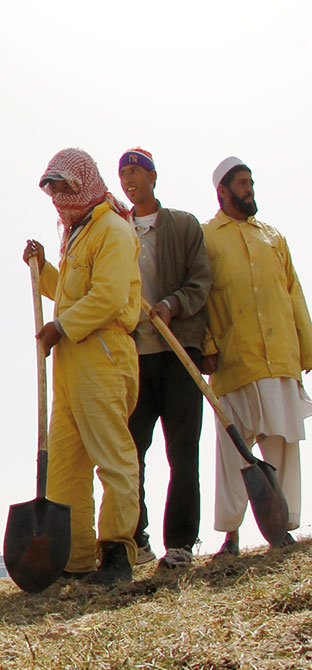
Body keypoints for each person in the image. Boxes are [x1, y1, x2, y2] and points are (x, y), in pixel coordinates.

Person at [22, 147, 141, 585]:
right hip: (73, 359)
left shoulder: (112, 228)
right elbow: (73, 293)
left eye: (65, 188)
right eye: (53, 191)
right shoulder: (77, 234)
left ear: (86, 183)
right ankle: (74, 560)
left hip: (103, 353)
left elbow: (108, 297)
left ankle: (117, 553)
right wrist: (43, 269)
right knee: (67, 464)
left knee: (112, 455)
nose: (59, 199)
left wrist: (59, 327)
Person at [202, 157, 312, 555]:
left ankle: (280, 528)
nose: (250, 190)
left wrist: (306, 345)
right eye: (242, 184)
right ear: (223, 191)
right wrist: (209, 348)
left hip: (280, 356)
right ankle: (230, 536)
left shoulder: (273, 236)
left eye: (251, 183)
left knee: (281, 443)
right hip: (234, 361)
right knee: (234, 451)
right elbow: (203, 298)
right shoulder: (207, 236)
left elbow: (293, 290)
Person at [116, 148, 213, 569]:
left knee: (182, 450)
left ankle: (181, 544)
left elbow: (202, 280)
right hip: (134, 354)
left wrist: (173, 303)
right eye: (123, 174)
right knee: (131, 450)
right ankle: (136, 540)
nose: (129, 179)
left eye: (136, 171)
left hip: (179, 351)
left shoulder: (183, 225)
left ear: (153, 177)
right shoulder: (116, 230)